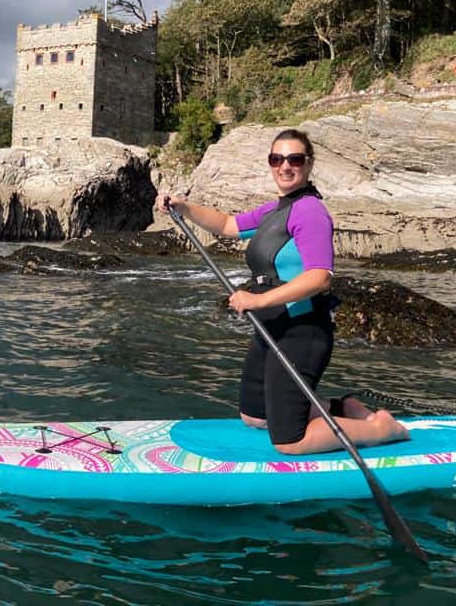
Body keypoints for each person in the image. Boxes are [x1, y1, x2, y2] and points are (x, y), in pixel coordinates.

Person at [158, 128, 408, 455]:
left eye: (294, 159)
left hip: (302, 332)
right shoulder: (277, 209)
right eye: (277, 159)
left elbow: (320, 278)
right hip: (271, 327)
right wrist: (183, 206)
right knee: (254, 416)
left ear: (309, 164)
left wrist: (258, 299)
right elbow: (228, 225)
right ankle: (342, 407)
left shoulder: (310, 211)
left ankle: (379, 429)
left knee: (290, 441)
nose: (285, 166)